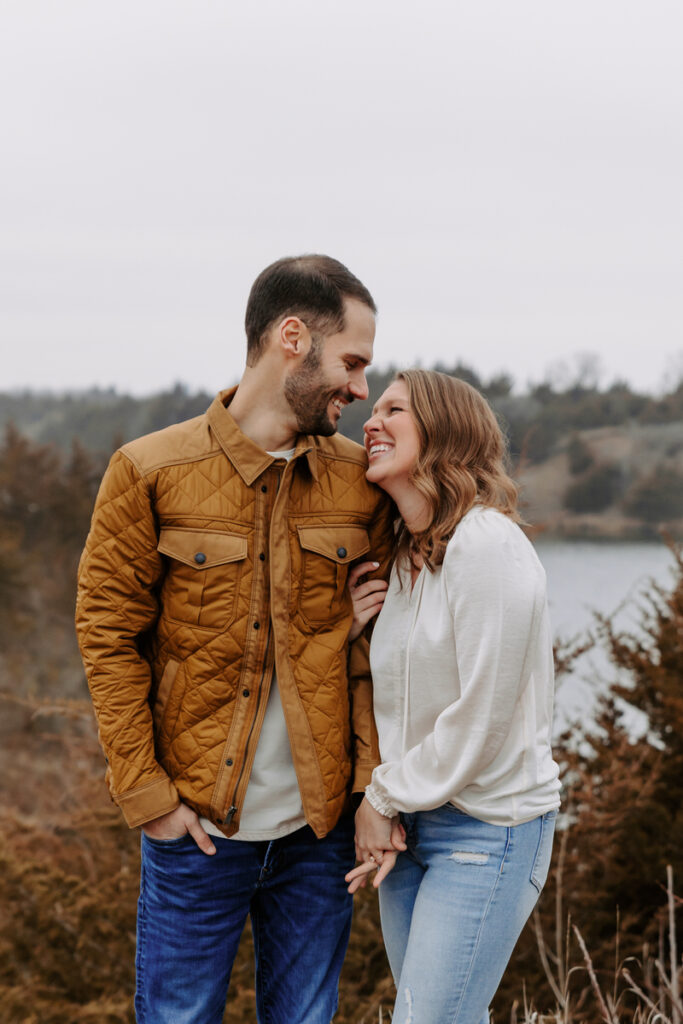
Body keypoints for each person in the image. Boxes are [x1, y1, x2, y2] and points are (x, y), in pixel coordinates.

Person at [75, 254, 394, 1024]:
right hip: (196, 833)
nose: (360, 389)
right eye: (351, 362)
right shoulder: (148, 471)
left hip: (319, 840)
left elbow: (376, 656)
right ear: (293, 337)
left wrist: (369, 793)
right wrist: (150, 800)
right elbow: (108, 638)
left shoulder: (362, 482)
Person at [345, 369, 561, 1024]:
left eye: (394, 409)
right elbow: (401, 699)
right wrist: (349, 629)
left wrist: (379, 797)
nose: (370, 420)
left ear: (444, 431)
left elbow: (478, 718)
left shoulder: (486, 544)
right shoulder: (407, 556)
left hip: (487, 827)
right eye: (371, 409)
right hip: (412, 829)